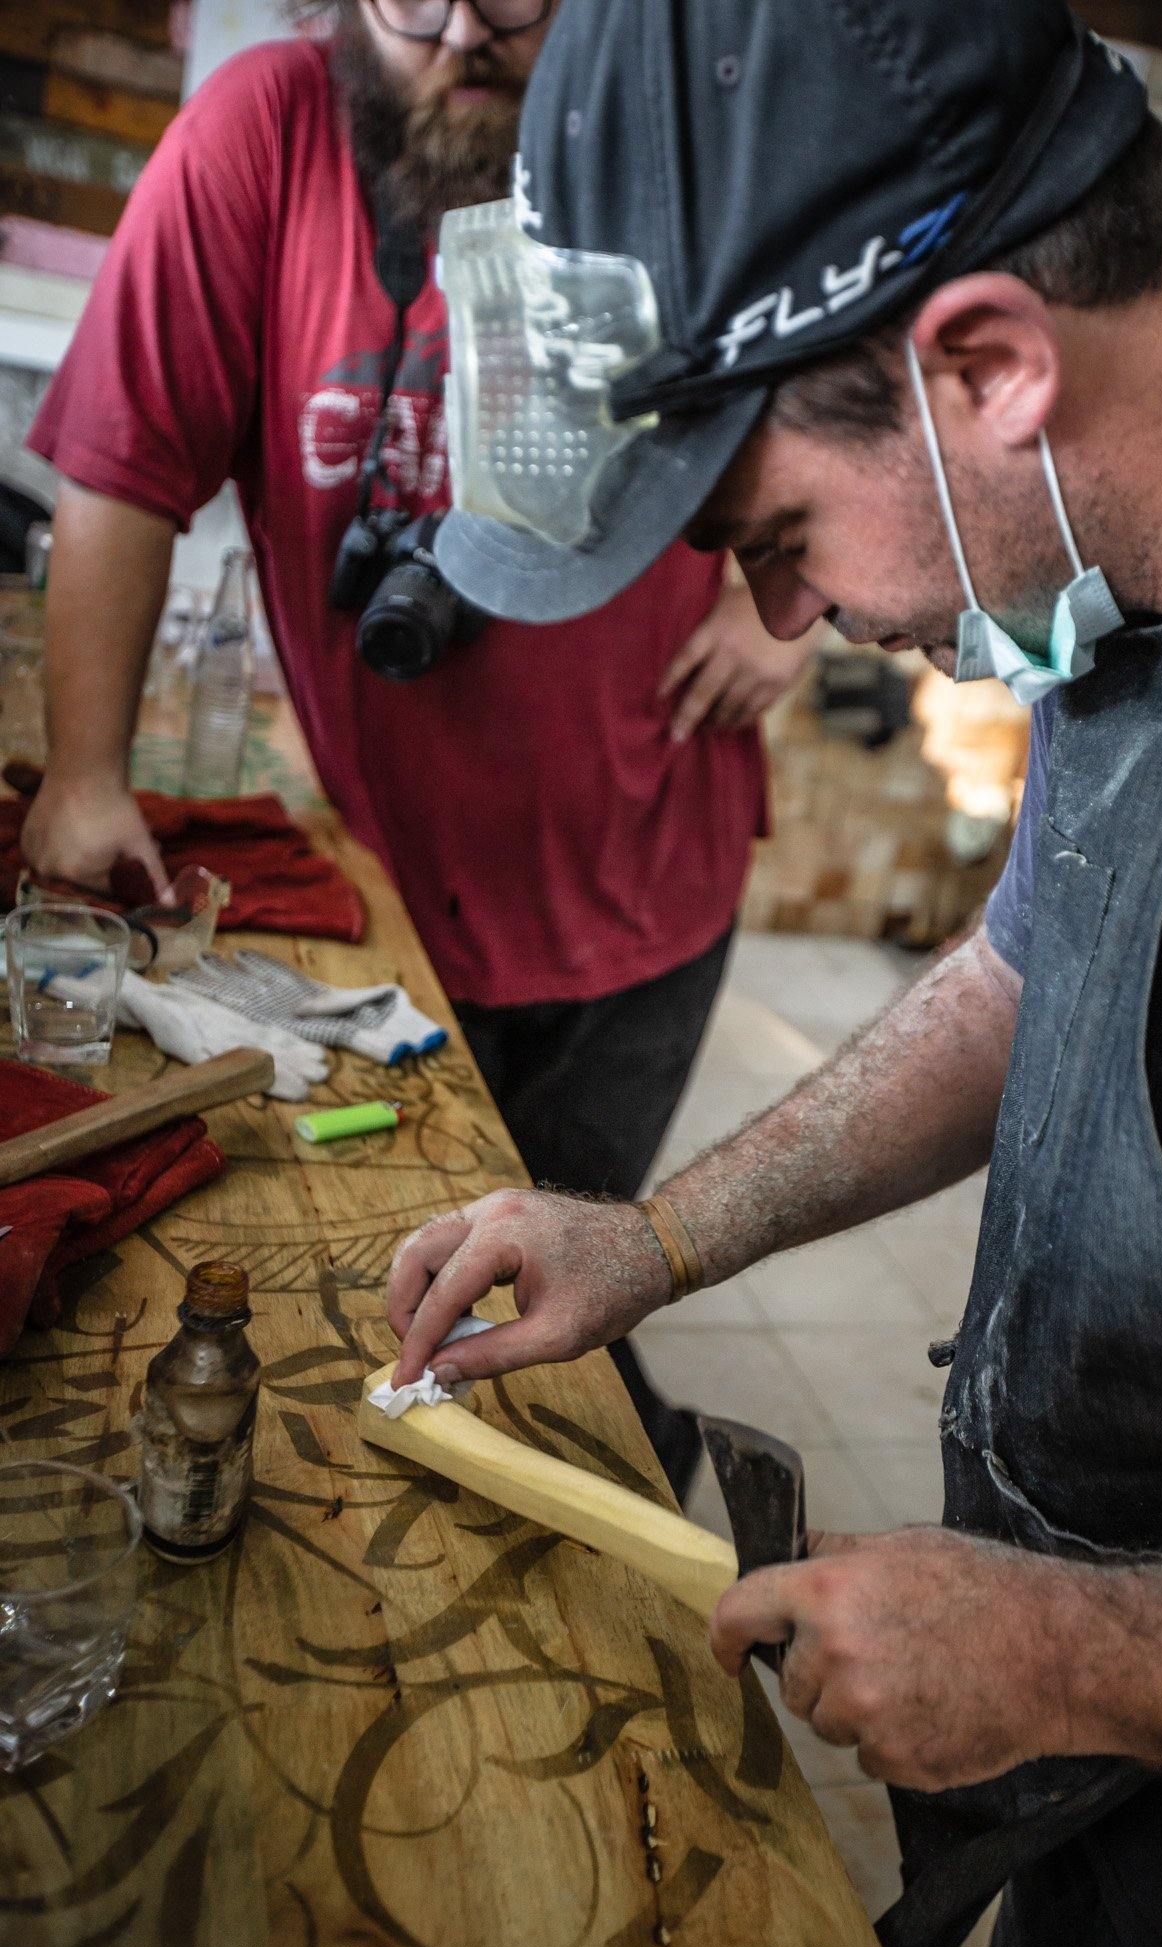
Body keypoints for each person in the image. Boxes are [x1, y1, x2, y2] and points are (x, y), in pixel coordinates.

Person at [383, 2, 1162, 1947]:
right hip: (1128, 1806)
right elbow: (1036, 968)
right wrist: (655, 1240)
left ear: (986, 365)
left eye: (770, 540)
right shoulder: (1133, 531)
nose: (775, 623)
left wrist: (1078, 1654)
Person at [20, 0, 817, 1500]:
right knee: (383, 1295)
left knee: (543, 1305)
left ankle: (657, 1490)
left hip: (636, 883)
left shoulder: (681, 133)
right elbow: (120, 469)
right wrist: (82, 774)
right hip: (387, 889)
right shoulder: (261, 131)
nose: (458, 32)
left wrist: (793, 612)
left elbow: (852, 375)